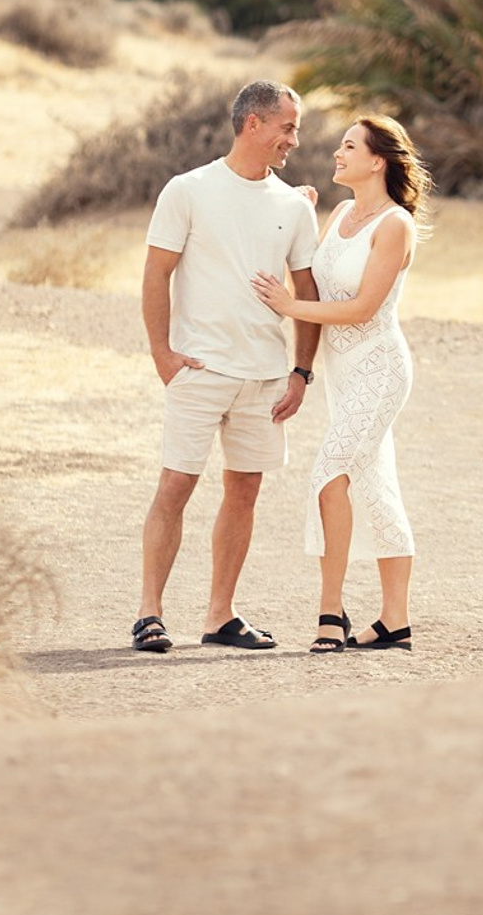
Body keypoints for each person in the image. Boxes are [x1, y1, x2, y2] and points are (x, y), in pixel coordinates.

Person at [131, 80, 322, 655]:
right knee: (176, 486)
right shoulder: (187, 190)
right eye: (288, 127)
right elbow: (155, 275)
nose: (295, 139)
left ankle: (221, 615)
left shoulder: (294, 205)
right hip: (199, 369)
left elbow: (306, 292)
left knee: (244, 492)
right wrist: (163, 355)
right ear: (253, 125)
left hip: (264, 377)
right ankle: (149, 614)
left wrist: (300, 372)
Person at [251, 113, 428, 654]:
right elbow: (321, 280)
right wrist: (299, 215)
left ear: (377, 161)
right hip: (342, 375)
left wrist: (288, 306)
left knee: (329, 473)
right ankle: (394, 620)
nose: (337, 153)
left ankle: (331, 614)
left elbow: (360, 308)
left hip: (379, 369)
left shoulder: (395, 224)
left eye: (349, 147)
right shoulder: (344, 212)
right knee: (375, 487)